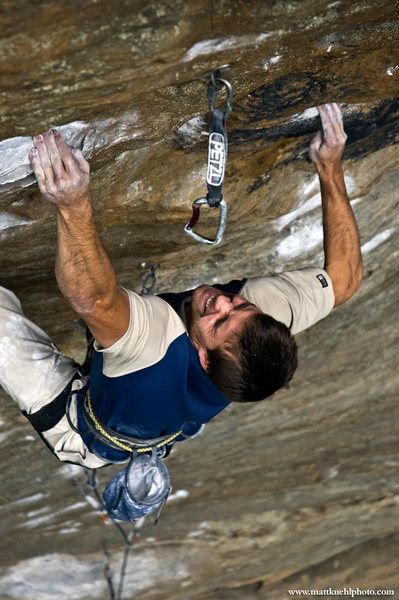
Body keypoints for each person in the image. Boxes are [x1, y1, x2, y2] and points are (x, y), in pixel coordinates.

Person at [0, 103, 362, 473]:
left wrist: (72, 205)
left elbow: (92, 301)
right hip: (151, 410)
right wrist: (329, 165)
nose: (222, 302)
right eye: (240, 305)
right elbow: (344, 279)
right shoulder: (260, 321)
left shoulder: (157, 350)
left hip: (82, 426)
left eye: (220, 322)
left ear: (204, 359)